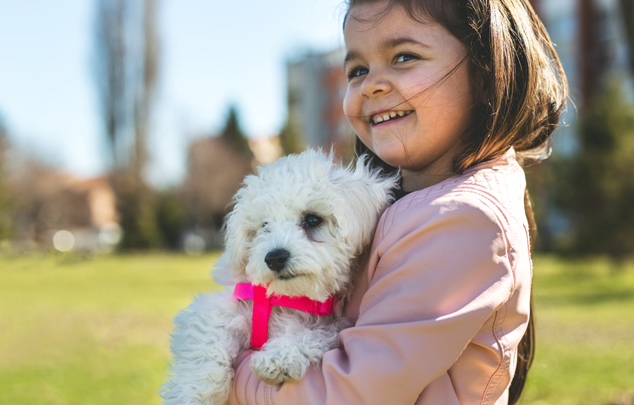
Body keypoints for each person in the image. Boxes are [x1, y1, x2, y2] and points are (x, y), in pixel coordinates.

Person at [227, 0, 568, 403]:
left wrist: (233, 375)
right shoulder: (401, 205)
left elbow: (350, 394)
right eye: (357, 70)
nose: (371, 84)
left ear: (486, 73)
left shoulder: (461, 220)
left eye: (404, 57)